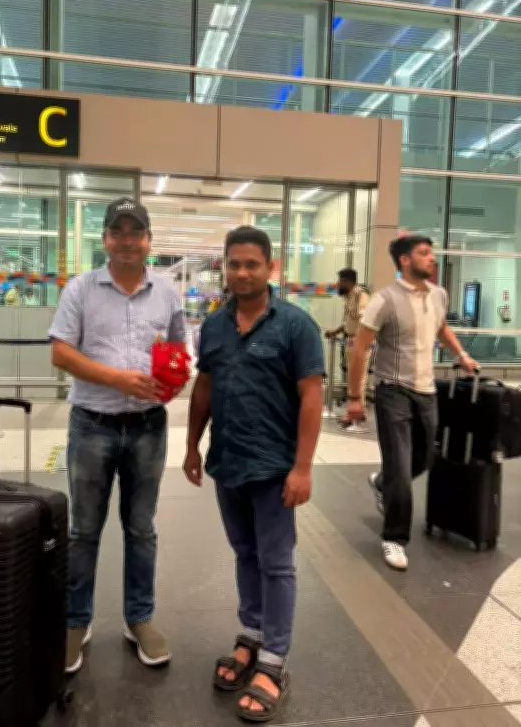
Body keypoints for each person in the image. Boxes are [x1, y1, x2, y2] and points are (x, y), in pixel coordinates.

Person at [183, 226, 324, 723]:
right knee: (245, 553)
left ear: (271, 268)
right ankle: (253, 633)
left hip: (274, 468)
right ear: (225, 267)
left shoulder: (296, 326)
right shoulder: (214, 326)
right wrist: (192, 445)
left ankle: (274, 661)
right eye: (234, 264)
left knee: (276, 563)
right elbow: (204, 388)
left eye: (252, 264)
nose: (242, 273)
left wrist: (302, 468)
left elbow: (312, 397)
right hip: (229, 462)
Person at [49, 197, 187, 673]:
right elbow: (61, 353)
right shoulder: (81, 289)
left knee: (141, 528)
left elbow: (177, 348)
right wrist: (118, 379)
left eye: (136, 232)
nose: (127, 240)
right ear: (106, 238)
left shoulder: (167, 292)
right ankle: (76, 621)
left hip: (148, 426)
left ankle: (139, 618)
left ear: (148, 240)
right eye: (118, 231)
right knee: (83, 530)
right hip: (92, 423)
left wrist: (174, 378)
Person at [346, 234, 477, 572]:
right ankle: (394, 538)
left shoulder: (438, 294)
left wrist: (461, 355)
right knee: (401, 469)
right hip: (393, 391)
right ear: (405, 260)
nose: (431, 258)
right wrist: (355, 397)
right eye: (423, 253)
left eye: (431, 253)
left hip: (427, 390)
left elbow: (441, 328)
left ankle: (382, 482)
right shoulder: (384, 300)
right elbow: (360, 349)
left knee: (427, 457)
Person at [325, 268, 370, 432]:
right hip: (350, 341)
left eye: (340, 281)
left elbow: (364, 320)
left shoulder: (361, 295)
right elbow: (347, 322)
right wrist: (335, 332)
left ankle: (356, 413)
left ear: (348, 281)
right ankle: (355, 411)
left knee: (359, 378)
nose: (338, 284)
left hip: (359, 343)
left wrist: (359, 341)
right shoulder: (349, 296)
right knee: (352, 378)